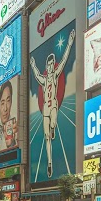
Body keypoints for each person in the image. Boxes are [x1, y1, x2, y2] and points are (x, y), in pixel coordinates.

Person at [30, 28, 75, 178]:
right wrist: (33, 65)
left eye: (51, 65)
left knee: (53, 124)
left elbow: (63, 60)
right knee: (47, 136)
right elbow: (36, 75)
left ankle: (53, 126)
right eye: (48, 65)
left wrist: (69, 43)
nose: (49, 67)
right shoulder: (43, 79)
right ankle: (49, 163)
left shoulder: (55, 75)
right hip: (45, 109)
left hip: (53, 105)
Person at [0, 80, 18, 152]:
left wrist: (11, 144)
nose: (5, 109)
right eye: (2, 103)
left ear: (11, 102)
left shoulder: (15, 127)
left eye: (8, 101)